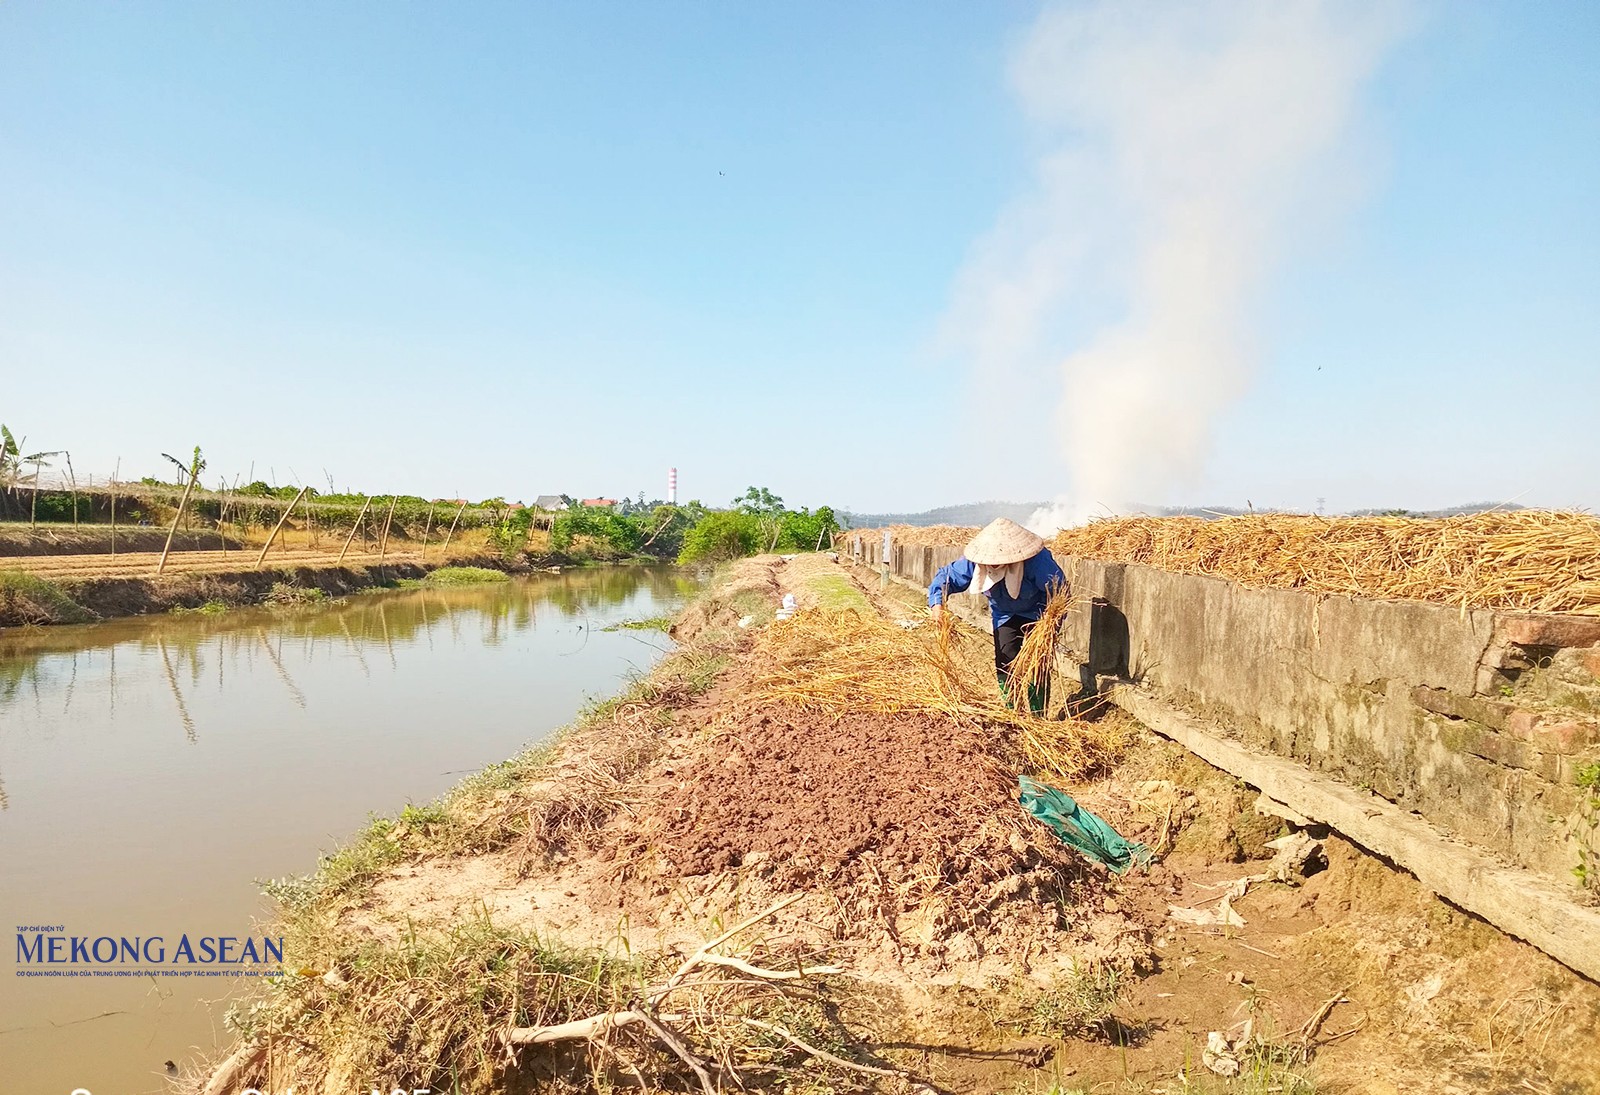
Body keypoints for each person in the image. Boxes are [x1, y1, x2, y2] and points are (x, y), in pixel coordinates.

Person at [928, 518, 1066, 714]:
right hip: (1004, 614)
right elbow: (946, 578)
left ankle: (1038, 715)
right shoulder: (976, 562)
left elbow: (1059, 591)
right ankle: (1012, 711)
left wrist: (1048, 624)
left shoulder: (1036, 560)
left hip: (1038, 614)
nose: (993, 565)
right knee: (1005, 660)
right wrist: (937, 605)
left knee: (1037, 663)